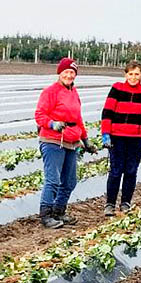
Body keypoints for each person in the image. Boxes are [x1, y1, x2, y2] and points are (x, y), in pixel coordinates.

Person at [34, 58, 96, 229]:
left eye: (72, 72)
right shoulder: (50, 92)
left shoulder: (74, 93)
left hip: (71, 142)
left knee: (69, 181)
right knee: (53, 180)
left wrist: (86, 140)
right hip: (53, 140)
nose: (69, 75)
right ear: (59, 73)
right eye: (66, 72)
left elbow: (78, 119)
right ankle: (46, 215)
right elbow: (39, 114)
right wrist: (52, 124)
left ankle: (59, 211)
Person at [100, 60, 141, 215]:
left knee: (131, 171)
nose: (133, 77)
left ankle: (126, 202)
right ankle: (110, 204)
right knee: (116, 171)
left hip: (137, 138)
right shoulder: (117, 89)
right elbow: (107, 113)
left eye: (137, 74)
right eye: (130, 74)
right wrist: (106, 134)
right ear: (125, 74)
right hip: (117, 137)